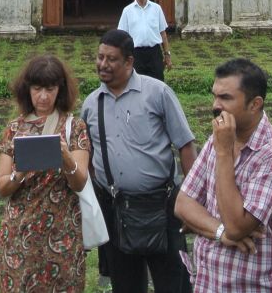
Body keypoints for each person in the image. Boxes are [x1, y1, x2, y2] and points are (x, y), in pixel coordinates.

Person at [82, 28, 196, 293]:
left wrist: (192, 199)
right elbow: (87, 155)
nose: (103, 65)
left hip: (162, 205)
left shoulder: (158, 92)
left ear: (129, 62)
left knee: (174, 282)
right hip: (117, 209)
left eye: (111, 59)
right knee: (126, 284)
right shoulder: (91, 104)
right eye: (100, 57)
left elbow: (185, 145)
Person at [175, 58, 272, 293]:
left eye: (226, 98)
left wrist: (224, 153)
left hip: (252, 286)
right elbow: (183, 204)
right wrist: (220, 232)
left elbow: (237, 226)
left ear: (255, 104)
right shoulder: (218, 138)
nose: (215, 105)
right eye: (215, 96)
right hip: (208, 283)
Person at [0, 53, 90, 293]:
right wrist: (20, 173)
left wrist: (66, 157)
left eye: (50, 89)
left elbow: (80, 183)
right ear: (27, 90)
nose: (43, 97)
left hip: (62, 233)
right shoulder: (14, 129)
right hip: (20, 233)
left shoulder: (75, 128)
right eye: (37, 89)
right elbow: (2, 186)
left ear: (60, 90)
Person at [118, 0, 172, 81]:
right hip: (135, 53)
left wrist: (167, 55)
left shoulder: (157, 9)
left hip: (154, 53)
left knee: (157, 83)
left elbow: (163, 34)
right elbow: (122, 36)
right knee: (136, 84)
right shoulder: (127, 11)